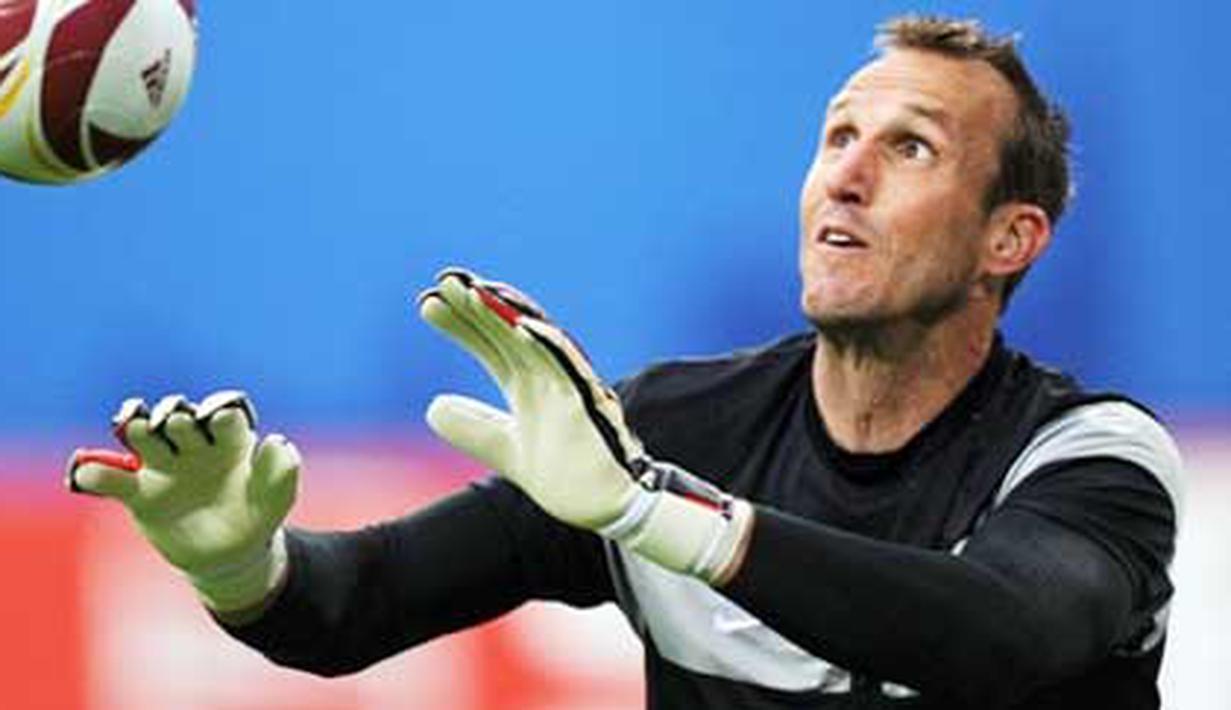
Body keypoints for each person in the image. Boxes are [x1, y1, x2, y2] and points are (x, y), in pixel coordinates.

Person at [66, 15, 1183, 709]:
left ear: (1009, 238)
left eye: (910, 148)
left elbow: (999, 636)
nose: (845, 175)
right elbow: (354, 605)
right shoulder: (669, 432)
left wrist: (663, 519)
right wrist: (236, 565)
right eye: (837, 134)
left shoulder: (1089, 456)